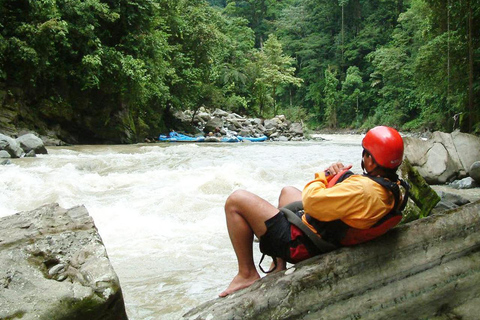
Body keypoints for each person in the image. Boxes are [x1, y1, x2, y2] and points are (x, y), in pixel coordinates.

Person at [219, 126, 409, 297]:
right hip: (328, 234)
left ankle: (246, 273)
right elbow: (352, 197)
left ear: (371, 161)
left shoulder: (362, 190)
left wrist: (325, 176)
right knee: (288, 192)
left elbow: (311, 202)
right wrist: (341, 178)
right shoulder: (392, 189)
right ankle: (278, 265)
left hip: (303, 244)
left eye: (365, 153)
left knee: (236, 200)